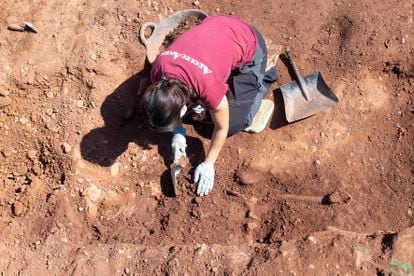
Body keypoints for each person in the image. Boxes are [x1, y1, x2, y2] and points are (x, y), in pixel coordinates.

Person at [141, 15, 278, 196]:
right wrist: (179, 134)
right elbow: (177, 109)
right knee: (196, 113)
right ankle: (226, 74)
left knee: (237, 121)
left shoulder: (208, 86)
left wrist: (208, 164)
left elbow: (222, 128)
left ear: (182, 106)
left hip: (249, 43)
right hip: (217, 27)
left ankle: (264, 76)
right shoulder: (159, 70)